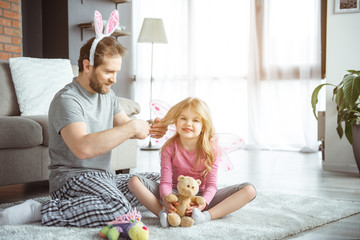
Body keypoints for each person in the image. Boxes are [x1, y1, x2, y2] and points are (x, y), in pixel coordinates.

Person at [0, 35, 167, 227]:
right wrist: (131, 127)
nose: (114, 79)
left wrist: (150, 127)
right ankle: (40, 209)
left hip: (104, 177)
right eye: (109, 71)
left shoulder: (107, 95)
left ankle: (100, 201)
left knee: (160, 182)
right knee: (119, 210)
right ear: (88, 66)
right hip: (70, 180)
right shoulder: (67, 100)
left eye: (116, 72)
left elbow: (128, 126)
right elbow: (83, 148)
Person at [128, 97, 256, 227]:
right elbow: (165, 181)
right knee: (134, 181)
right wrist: (167, 199)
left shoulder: (212, 149)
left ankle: (206, 216)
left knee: (249, 190)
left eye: (195, 120)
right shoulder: (169, 148)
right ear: (176, 122)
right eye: (183, 118)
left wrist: (202, 204)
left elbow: (211, 185)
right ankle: (164, 214)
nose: (188, 123)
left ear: (203, 126)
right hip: (175, 195)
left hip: (200, 197)